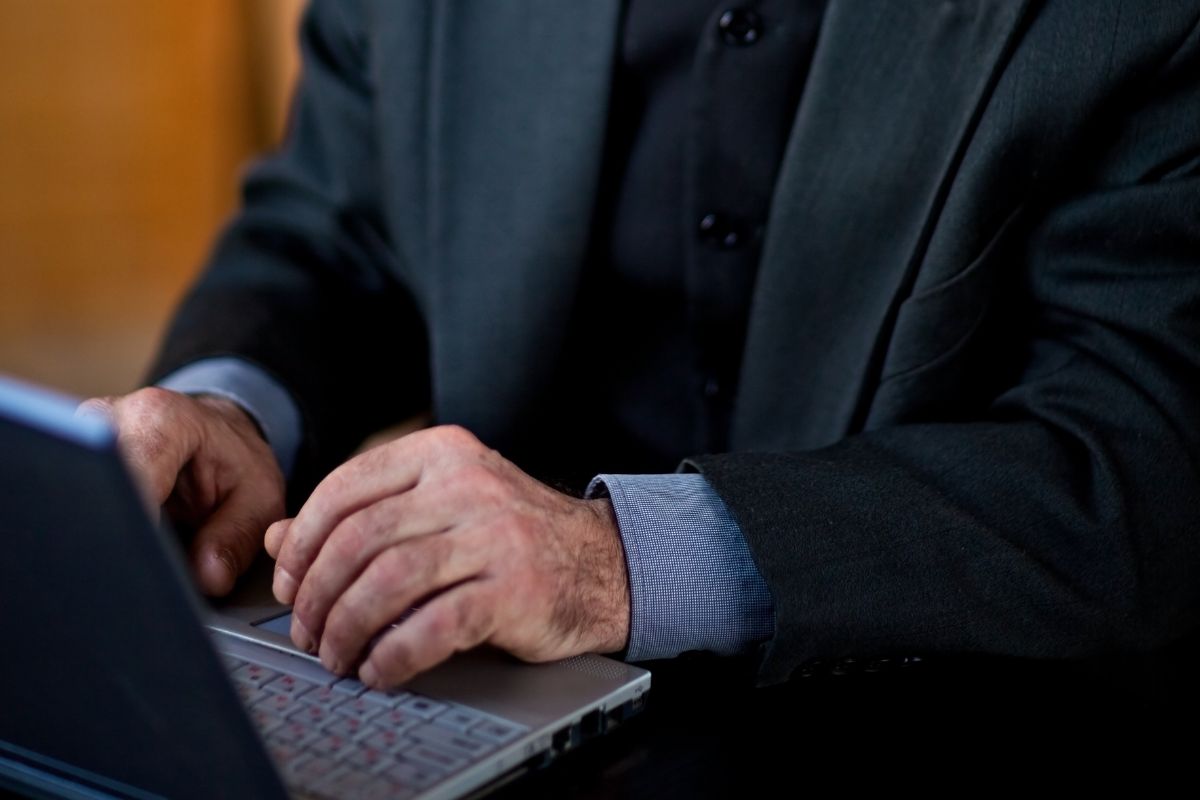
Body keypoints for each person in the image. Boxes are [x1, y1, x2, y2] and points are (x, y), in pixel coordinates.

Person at [85, 1, 1200, 690]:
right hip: (476, 688)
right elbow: (333, 235)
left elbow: (1138, 458)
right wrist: (227, 413)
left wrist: (607, 561)